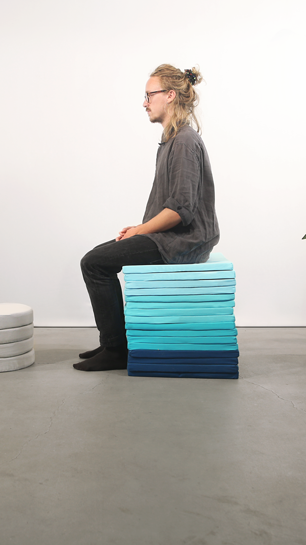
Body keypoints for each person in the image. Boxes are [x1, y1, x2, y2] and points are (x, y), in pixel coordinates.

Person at [74, 64, 220, 372]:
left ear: (169, 96)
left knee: (95, 263)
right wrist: (139, 229)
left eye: (148, 95)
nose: (144, 102)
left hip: (186, 240)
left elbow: (181, 209)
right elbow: (172, 205)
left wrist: (142, 230)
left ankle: (116, 350)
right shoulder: (172, 140)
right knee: (99, 258)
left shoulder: (184, 141)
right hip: (170, 236)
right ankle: (112, 341)